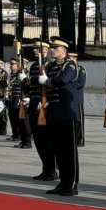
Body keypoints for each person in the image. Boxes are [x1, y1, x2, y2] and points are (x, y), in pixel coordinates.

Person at [42, 37, 79, 196]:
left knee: (69, 151)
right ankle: (63, 182)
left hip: (67, 112)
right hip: (54, 112)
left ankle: (71, 184)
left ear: (63, 51)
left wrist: (48, 81)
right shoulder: (50, 66)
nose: (52, 50)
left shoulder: (70, 65)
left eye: (56, 48)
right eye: (52, 48)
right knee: (58, 150)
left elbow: (63, 80)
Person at [28, 39, 57, 182]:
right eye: (34, 49)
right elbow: (31, 84)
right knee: (38, 140)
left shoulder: (50, 65)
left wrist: (44, 101)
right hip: (33, 104)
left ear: (46, 50)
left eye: (38, 49)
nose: (35, 51)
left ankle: (52, 170)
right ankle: (46, 169)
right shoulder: (34, 65)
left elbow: (48, 84)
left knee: (47, 140)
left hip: (44, 105)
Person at [70, 51, 87, 147]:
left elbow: (81, 83)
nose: (69, 60)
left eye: (71, 58)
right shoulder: (67, 68)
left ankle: (80, 140)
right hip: (69, 99)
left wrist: (70, 86)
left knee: (79, 121)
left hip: (77, 99)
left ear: (75, 59)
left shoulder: (80, 69)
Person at [0, 59, 9, 136]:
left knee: (3, 114)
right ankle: (0, 128)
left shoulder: (4, 73)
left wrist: (4, 94)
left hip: (1, 94)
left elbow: (5, 85)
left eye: (0, 63)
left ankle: (2, 129)